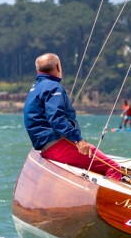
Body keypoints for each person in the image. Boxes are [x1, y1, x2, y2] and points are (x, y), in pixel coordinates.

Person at [24, 53, 123, 182]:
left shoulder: (36, 88)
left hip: (45, 147)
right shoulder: (53, 87)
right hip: (57, 145)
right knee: (114, 168)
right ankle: (112, 202)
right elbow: (56, 119)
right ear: (58, 67)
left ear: (38, 70)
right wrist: (78, 140)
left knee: (95, 168)